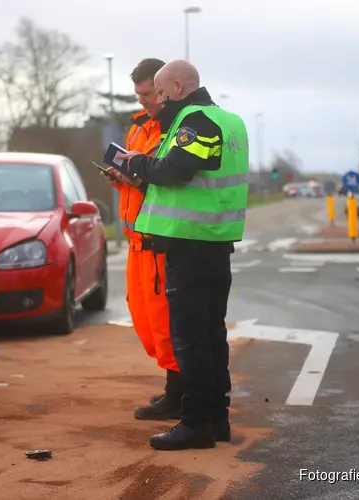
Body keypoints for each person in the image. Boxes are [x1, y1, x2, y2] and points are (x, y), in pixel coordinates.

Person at [114, 60, 250, 451]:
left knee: (191, 340)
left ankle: (194, 423)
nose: (157, 100)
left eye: (160, 92)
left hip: (190, 245)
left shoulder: (196, 120)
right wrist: (144, 171)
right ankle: (216, 419)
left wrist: (134, 162)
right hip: (214, 241)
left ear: (177, 85)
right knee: (211, 335)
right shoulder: (230, 121)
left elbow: (177, 170)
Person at [101, 58, 183, 421]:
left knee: (166, 324)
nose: (144, 101)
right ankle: (176, 390)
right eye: (139, 95)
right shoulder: (138, 129)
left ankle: (178, 394)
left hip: (157, 241)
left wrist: (138, 179)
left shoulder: (171, 131)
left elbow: (169, 179)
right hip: (136, 242)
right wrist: (121, 178)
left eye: (149, 93)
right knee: (146, 323)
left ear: (164, 89)